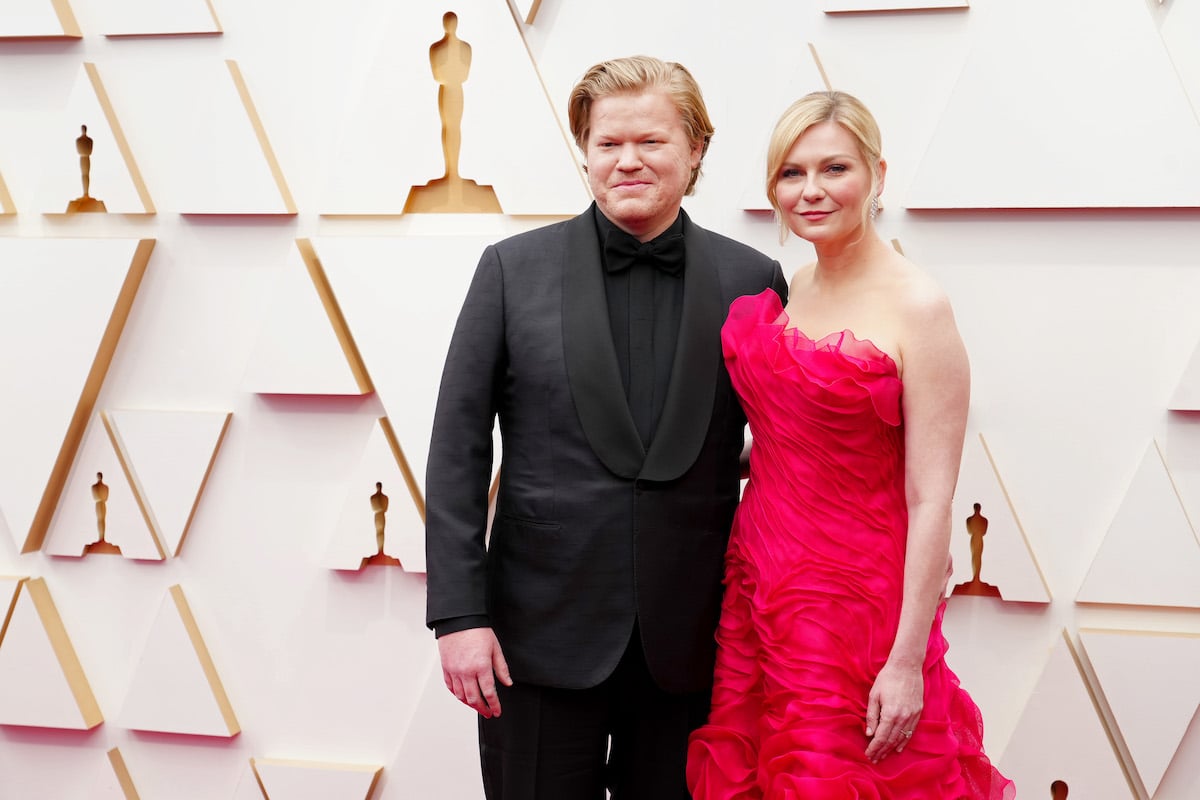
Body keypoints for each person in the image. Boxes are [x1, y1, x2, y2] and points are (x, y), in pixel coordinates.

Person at [425, 55, 787, 799]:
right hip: (534, 642)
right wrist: (458, 616)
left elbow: (789, 444)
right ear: (585, 152)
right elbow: (458, 449)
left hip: (696, 644)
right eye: (607, 143)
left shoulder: (754, 279)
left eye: (651, 141)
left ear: (696, 150)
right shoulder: (511, 270)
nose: (627, 161)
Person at [686, 91, 1015, 798]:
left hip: (856, 600)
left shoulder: (918, 305)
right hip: (760, 581)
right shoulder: (794, 286)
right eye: (791, 173)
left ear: (877, 174)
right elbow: (790, 439)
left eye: (834, 168)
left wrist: (906, 660)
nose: (811, 190)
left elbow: (931, 499)